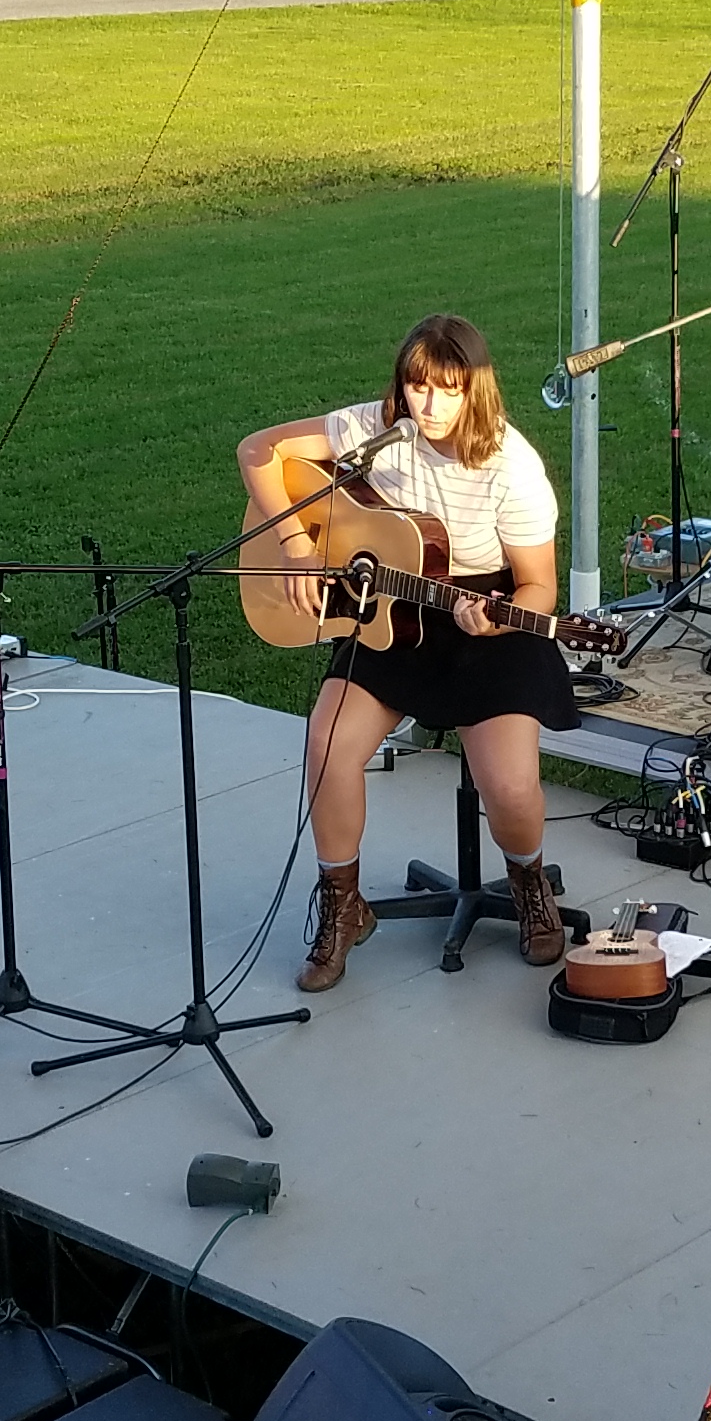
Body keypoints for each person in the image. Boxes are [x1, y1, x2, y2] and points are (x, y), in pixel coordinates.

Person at [237, 313, 579, 992]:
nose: (429, 405)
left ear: (475, 390)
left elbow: (539, 588)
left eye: (448, 390)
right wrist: (298, 547)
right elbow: (257, 451)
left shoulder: (511, 467)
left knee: (510, 786)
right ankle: (344, 906)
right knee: (327, 745)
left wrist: (494, 621)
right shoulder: (376, 429)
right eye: (418, 387)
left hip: (487, 622)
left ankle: (528, 882)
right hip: (390, 615)